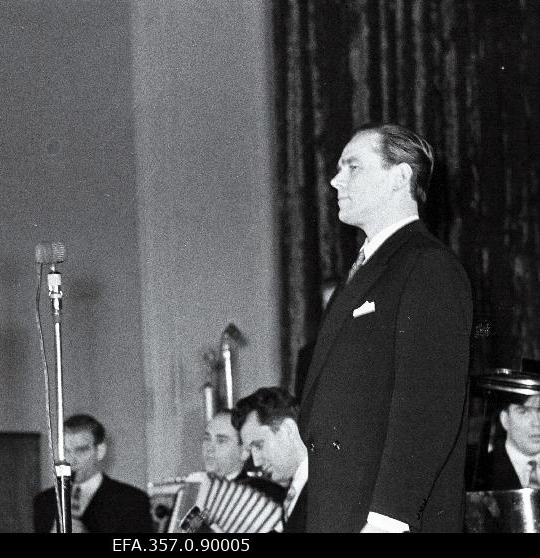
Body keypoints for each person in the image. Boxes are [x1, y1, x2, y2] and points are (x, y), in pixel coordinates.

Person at [298, 123, 473, 532]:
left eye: (353, 167)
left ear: (400, 177)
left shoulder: (429, 267)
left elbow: (429, 408)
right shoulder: (363, 272)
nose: (335, 179)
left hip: (384, 520)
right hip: (340, 510)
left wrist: (388, 520)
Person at [33, 414, 153, 533]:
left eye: (81, 450)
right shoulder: (44, 502)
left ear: (100, 451)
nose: (71, 460)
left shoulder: (132, 501)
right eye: (65, 451)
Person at [232, 387, 308, 532]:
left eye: (259, 445)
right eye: (251, 450)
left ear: (288, 430)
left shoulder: (323, 489)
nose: (256, 462)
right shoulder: (296, 488)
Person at [202, 410, 286, 503]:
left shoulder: (262, 494)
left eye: (221, 441)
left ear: (244, 452)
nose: (209, 448)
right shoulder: (196, 489)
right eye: (207, 438)